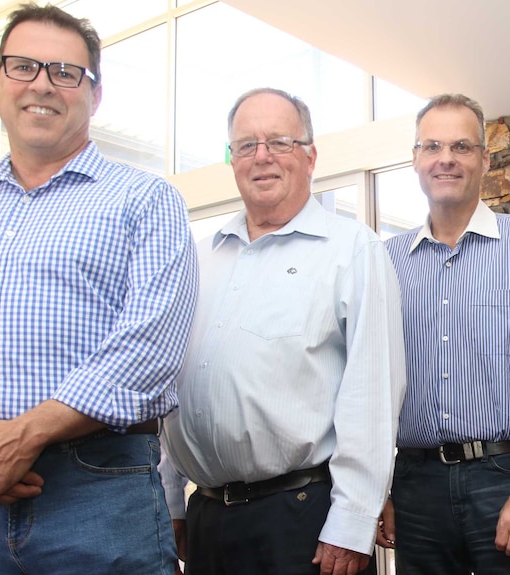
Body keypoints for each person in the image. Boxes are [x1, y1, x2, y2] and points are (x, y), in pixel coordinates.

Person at [0, 4, 198, 574]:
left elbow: (149, 350)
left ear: (94, 95)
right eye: (24, 66)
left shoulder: (146, 201)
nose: (43, 86)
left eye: (65, 73)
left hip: (99, 491)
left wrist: (20, 436)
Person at [160, 87, 406, 575]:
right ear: (232, 160)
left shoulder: (352, 249)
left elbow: (372, 395)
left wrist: (352, 521)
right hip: (206, 517)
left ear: (310, 156)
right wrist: (171, 502)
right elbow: (169, 386)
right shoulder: (197, 258)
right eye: (246, 145)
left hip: (304, 521)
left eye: (279, 142)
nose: (262, 157)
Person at [377, 93, 510, 574]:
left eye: (461, 146)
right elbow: (374, 389)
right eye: (432, 146)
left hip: (505, 479)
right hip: (415, 485)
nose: (445, 158)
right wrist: (380, 489)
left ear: (485, 159)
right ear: (415, 159)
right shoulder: (387, 263)